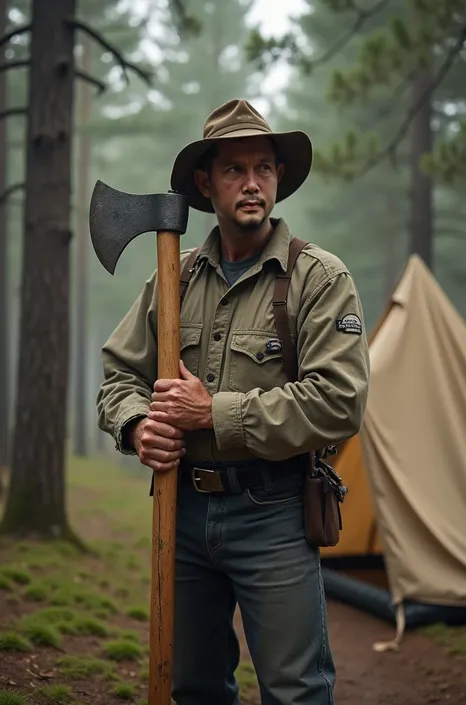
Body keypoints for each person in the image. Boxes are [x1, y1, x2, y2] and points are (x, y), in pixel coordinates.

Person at [97, 98, 370, 705]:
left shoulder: (319, 279)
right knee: (193, 687)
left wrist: (211, 413)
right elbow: (119, 375)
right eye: (234, 170)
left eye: (264, 168)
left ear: (278, 179)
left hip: (273, 511)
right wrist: (138, 425)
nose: (252, 183)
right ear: (205, 183)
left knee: (296, 691)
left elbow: (340, 402)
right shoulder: (175, 279)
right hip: (181, 511)